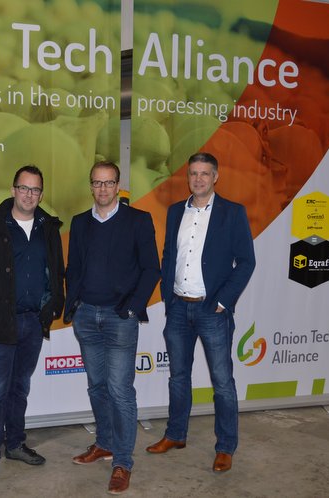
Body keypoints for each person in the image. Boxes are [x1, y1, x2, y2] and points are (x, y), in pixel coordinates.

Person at [146, 152, 255, 472]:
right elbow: (169, 255)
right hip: (178, 308)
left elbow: (246, 262)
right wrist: (168, 297)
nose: (198, 179)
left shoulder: (232, 213)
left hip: (212, 311)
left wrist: (223, 301)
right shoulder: (174, 211)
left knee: (222, 381)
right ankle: (175, 435)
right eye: (193, 173)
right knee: (178, 378)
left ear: (215, 177)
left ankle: (225, 446)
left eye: (205, 173)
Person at [0, 165, 65, 487]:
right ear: (12, 190)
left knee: (20, 387)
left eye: (35, 190)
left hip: (33, 322)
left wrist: (53, 307)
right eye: (24, 188)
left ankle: (16, 444)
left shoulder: (48, 227)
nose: (29, 195)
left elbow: (57, 269)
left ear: (41, 195)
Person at [65, 161, 160, 495]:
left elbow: (152, 269)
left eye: (108, 183)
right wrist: (75, 304)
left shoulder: (138, 220)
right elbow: (74, 267)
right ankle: (104, 443)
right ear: (90, 185)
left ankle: (122, 462)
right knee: (97, 387)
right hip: (86, 316)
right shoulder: (80, 222)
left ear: (118, 185)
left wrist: (131, 308)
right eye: (97, 183)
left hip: (120, 318)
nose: (102, 189)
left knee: (120, 390)